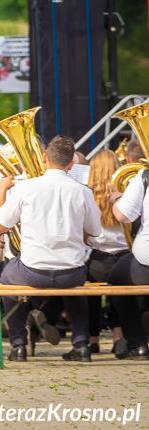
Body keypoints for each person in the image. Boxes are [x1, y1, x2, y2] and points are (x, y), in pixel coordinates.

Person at [0, 135, 103, 362]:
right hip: (71, 272)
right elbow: (94, 231)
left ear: (44, 158)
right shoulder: (83, 191)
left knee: (6, 276)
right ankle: (81, 344)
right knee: (75, 284)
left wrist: (2, 189)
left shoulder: (26, 187)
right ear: (71, 164)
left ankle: (19, 345)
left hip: (33, 270)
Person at [84, 150, 128, 352]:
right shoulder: (126, 193)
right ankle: (118, 337)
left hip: (96, 261)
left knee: (92, 296)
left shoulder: (86, 193)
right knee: (121, 295)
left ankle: (93, 340)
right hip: (124, 260)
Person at [107, 152, 149, 359]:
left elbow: (123, 215)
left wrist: (117, 199)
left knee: (115, 278)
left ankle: (137, 343)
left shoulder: (144, 177)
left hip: (146, 265)